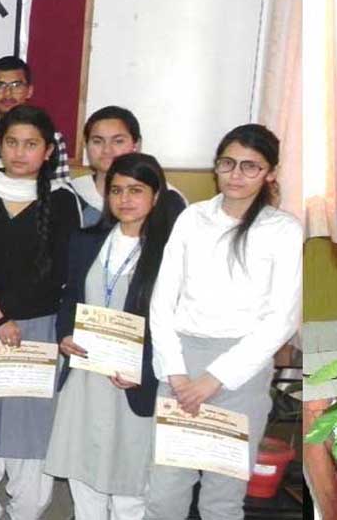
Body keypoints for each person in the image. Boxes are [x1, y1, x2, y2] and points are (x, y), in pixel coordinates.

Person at [145, 124, 302, 520]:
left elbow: (282, 318)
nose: (236, 174)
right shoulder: (192, 218)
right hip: (181, 365)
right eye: (228, 163)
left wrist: (215, 378)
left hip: (241, 372)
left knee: (222, 498)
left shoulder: (282, 229)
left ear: (270, 173)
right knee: (164, 492)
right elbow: (163, 300)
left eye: (251, 166)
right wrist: (177, 373)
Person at [45, 153, 183, 520]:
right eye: (117, 190)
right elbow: (71, 298)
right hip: (86, 377)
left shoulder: (171, 251)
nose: (125, 199)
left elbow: (175, 323)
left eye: (136, 190)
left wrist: (143, 369)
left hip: (134, 382)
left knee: (129, 485)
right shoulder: (86, 241)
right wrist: (65, 334)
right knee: (83, 476)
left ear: (156, 195)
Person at [0, 105, 80, 520]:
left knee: (30, 426)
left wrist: (7, 311)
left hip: (38, 332)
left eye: (31, 144)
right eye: (12, 142)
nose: (20, 152)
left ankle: (25, 511)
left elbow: (61, 273)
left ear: (48, 151)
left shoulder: (63, 200)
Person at [0, 56, 70, 183]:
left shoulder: (51, 136)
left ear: (29, 91)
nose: (8, 93)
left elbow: (61, 187)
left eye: (16, 85)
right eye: (0, 85)